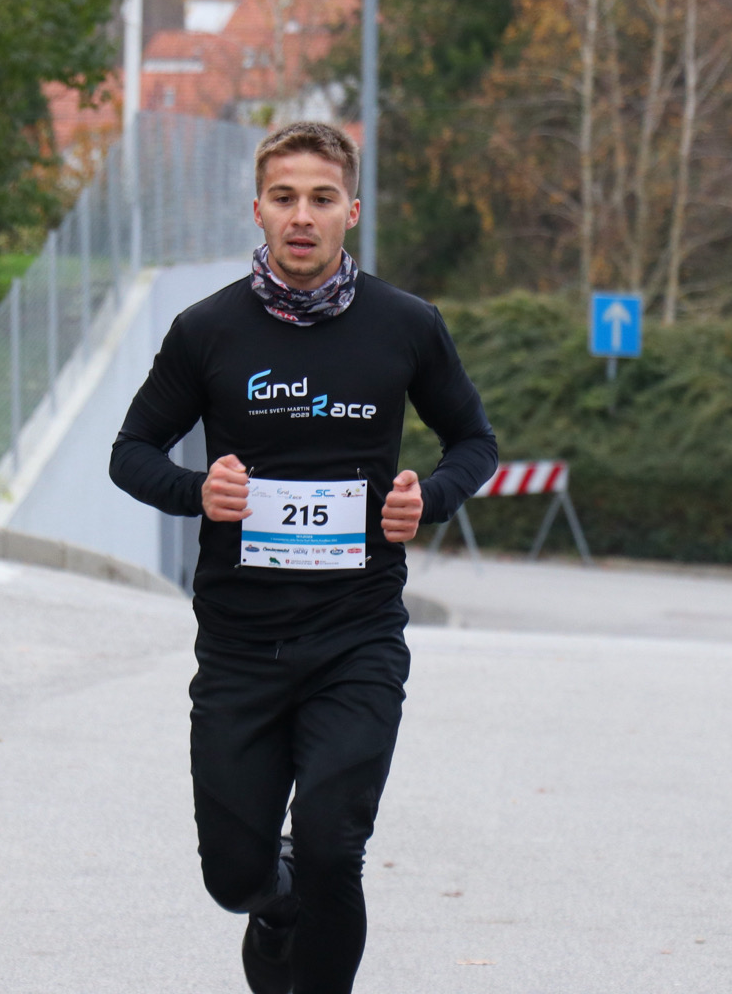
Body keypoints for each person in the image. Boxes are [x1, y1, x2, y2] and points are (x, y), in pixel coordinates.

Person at [109, 121, 498, 994]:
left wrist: (426, 498)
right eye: (284, 197)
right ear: (258, 210)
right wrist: (196, 490)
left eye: (322, 198)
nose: (302, 215)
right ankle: (273, 903)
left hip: (356, 638)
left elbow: (474, 440)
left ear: (351, 211)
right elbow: (130, 452)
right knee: (234, 876)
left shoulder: (405, 326)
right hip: (242, 645)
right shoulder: (207, 331)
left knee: (332, 848)